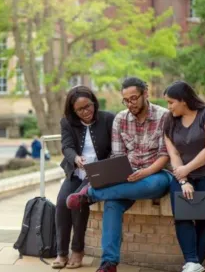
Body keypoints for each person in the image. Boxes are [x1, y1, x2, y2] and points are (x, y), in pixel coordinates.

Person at [66, 77, 171, 272]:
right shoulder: (120, 120)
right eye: (126, 100)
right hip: (128, 176)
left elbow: (165, 155)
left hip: (156, 173)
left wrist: (144, 173)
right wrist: (119, 173)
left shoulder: (164, 117)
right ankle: (109, 263)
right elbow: (118, 156)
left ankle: (89, 195)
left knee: (151, 185)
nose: (130, 104)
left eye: (134, 98)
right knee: (112, 204)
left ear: (145, 94)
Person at [163, 81, 205, 272]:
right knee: (182, 215)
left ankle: (194, 266)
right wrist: (184, 179)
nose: (168, 107)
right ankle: (192, 262)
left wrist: (187, 169)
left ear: (183, 100)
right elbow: (174, 154)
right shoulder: (169, 120)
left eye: (171, 102)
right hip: (185, 175)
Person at [52, 85, 115, 269]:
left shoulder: (108, 118)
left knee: (77, 202)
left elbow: (115, 147)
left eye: (88, 106)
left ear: (94, 102)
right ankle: (61, 252)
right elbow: (66, 147)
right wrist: (76, 159)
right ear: (73, 110)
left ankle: (78, 250)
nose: (86, 111)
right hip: (76, 171)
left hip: (99, 173)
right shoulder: (67, 122)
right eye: (80, 109)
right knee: (62, 202)